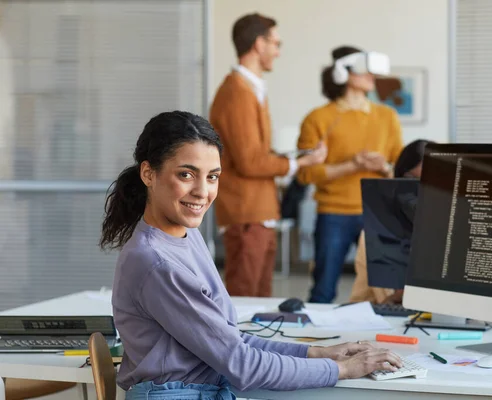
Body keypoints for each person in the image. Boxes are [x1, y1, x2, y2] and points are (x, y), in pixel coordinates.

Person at [101, 111, 402, 399]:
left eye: (212, 177)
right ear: (148, 174)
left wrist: (319, 352)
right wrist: (342, 369)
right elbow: (242, 364)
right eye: (186, 174)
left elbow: (232, 342)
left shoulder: (187, 236)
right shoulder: (157, 262)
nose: (202, 191)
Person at [209, 13, 326, 298]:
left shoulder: (251, 90)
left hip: (260, 212)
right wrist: (300, 163)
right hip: (246, 212)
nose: (278, 50)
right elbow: (250, 162)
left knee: (258, 299)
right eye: (276, 42)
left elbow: (254, 153)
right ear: (259, 44)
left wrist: (291, 158)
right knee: (244, 298)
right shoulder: (237, 93)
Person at [296, 46, 404, 304]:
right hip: (333, 213)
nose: (371, 75)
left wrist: (384, 167)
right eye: (363, 69)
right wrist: (352, 165)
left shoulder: (386, 116)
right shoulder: (318, 118)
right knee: (323, 289)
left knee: (387, 291)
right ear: (343, 73)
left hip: (377, 214)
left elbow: (400, 169)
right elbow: (305, 174)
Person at [349, 140, 432, 305]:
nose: (418, 192)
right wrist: (391, 301)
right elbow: (361, 301)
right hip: (393, 326)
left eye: (427, 182)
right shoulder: (372, 237)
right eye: (410, 180)